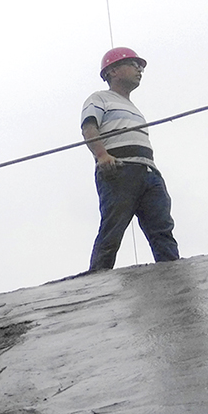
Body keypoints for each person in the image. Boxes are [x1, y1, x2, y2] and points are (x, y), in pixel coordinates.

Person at [81, 47, 179, 271]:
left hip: (148, 171)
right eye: (133, 64)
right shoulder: (99, 99)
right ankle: (99, 276)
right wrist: (102, 155)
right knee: (113, 228)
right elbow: (89, 128)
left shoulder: (134, 108)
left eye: (141, 66)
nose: (139, 69)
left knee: (161, 227)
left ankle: (173, 272)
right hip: (120, 169)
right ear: (113, 71)